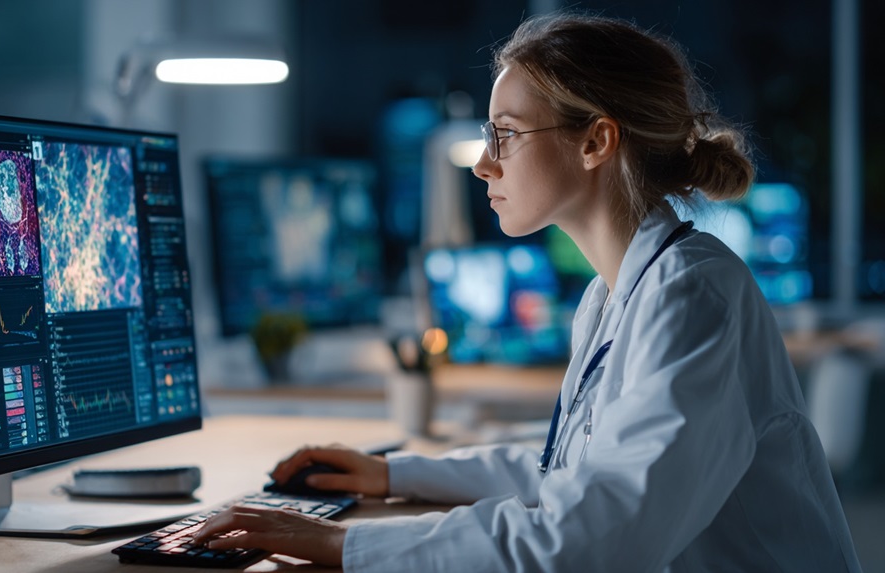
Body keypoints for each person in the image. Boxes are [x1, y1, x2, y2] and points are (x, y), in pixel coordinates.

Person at [193, 13, 862, 571]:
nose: (484, 162)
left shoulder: (692, 295)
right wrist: (393, 474)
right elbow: (570, 473)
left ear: (596, 140)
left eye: (506, 134)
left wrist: (346, 543)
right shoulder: (614, 295)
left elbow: (592, 537)